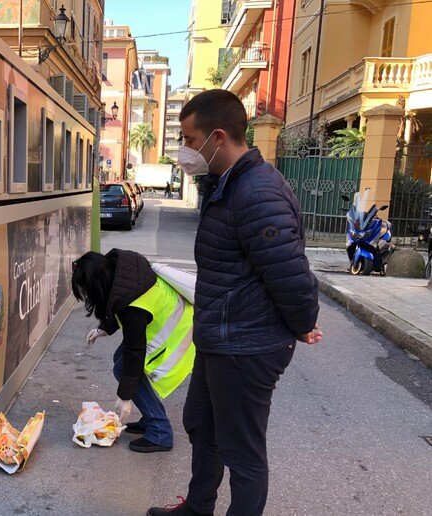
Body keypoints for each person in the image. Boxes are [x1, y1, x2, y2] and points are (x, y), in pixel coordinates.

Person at [147, 90, 323, 516]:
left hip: (247, 345)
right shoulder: (228, 184)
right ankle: (198, 507)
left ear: (218, 137)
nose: (185, 151)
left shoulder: (256, 192)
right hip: (221, 337)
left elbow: (290, 273)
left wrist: (302, 323)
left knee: (242, 451)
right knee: (201, 425)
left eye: (189, 140)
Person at [71, 249, 195, 453]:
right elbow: (120, 304)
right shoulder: (123, 274)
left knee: (123, 368)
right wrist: (104, 328)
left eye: (86, 289)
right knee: (121, 360)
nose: (85, 294)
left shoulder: (133, 308)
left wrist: (125, 398)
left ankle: (160, 432)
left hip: (178, 337)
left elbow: (134, 348)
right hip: (177, 326)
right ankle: (151, 417)